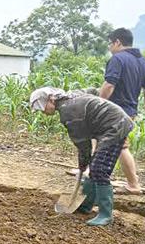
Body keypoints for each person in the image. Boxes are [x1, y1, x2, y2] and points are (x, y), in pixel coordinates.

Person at [30, 88, 133, 226]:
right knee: (95, 166)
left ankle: (105, 214)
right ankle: (86, 205)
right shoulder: (69, 99)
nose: (42, 111)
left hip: (114, 126)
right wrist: (85, 164)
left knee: (99, 168)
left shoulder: (68, 112)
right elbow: (94, 91)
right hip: (112, 125)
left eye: (42, 107)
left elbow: (83, 144)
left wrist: (82, 164)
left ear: (51, 100)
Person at [99, 28, 145, 192]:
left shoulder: (118, 59)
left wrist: (97, 103)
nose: (109, 47)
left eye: (110, 43)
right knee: (113, 143)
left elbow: (109, 84)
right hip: (130, 111)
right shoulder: (142, 61)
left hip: (115, 111)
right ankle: (91, 173)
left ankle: (132, 184)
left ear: (118, 42)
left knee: (119, 146)